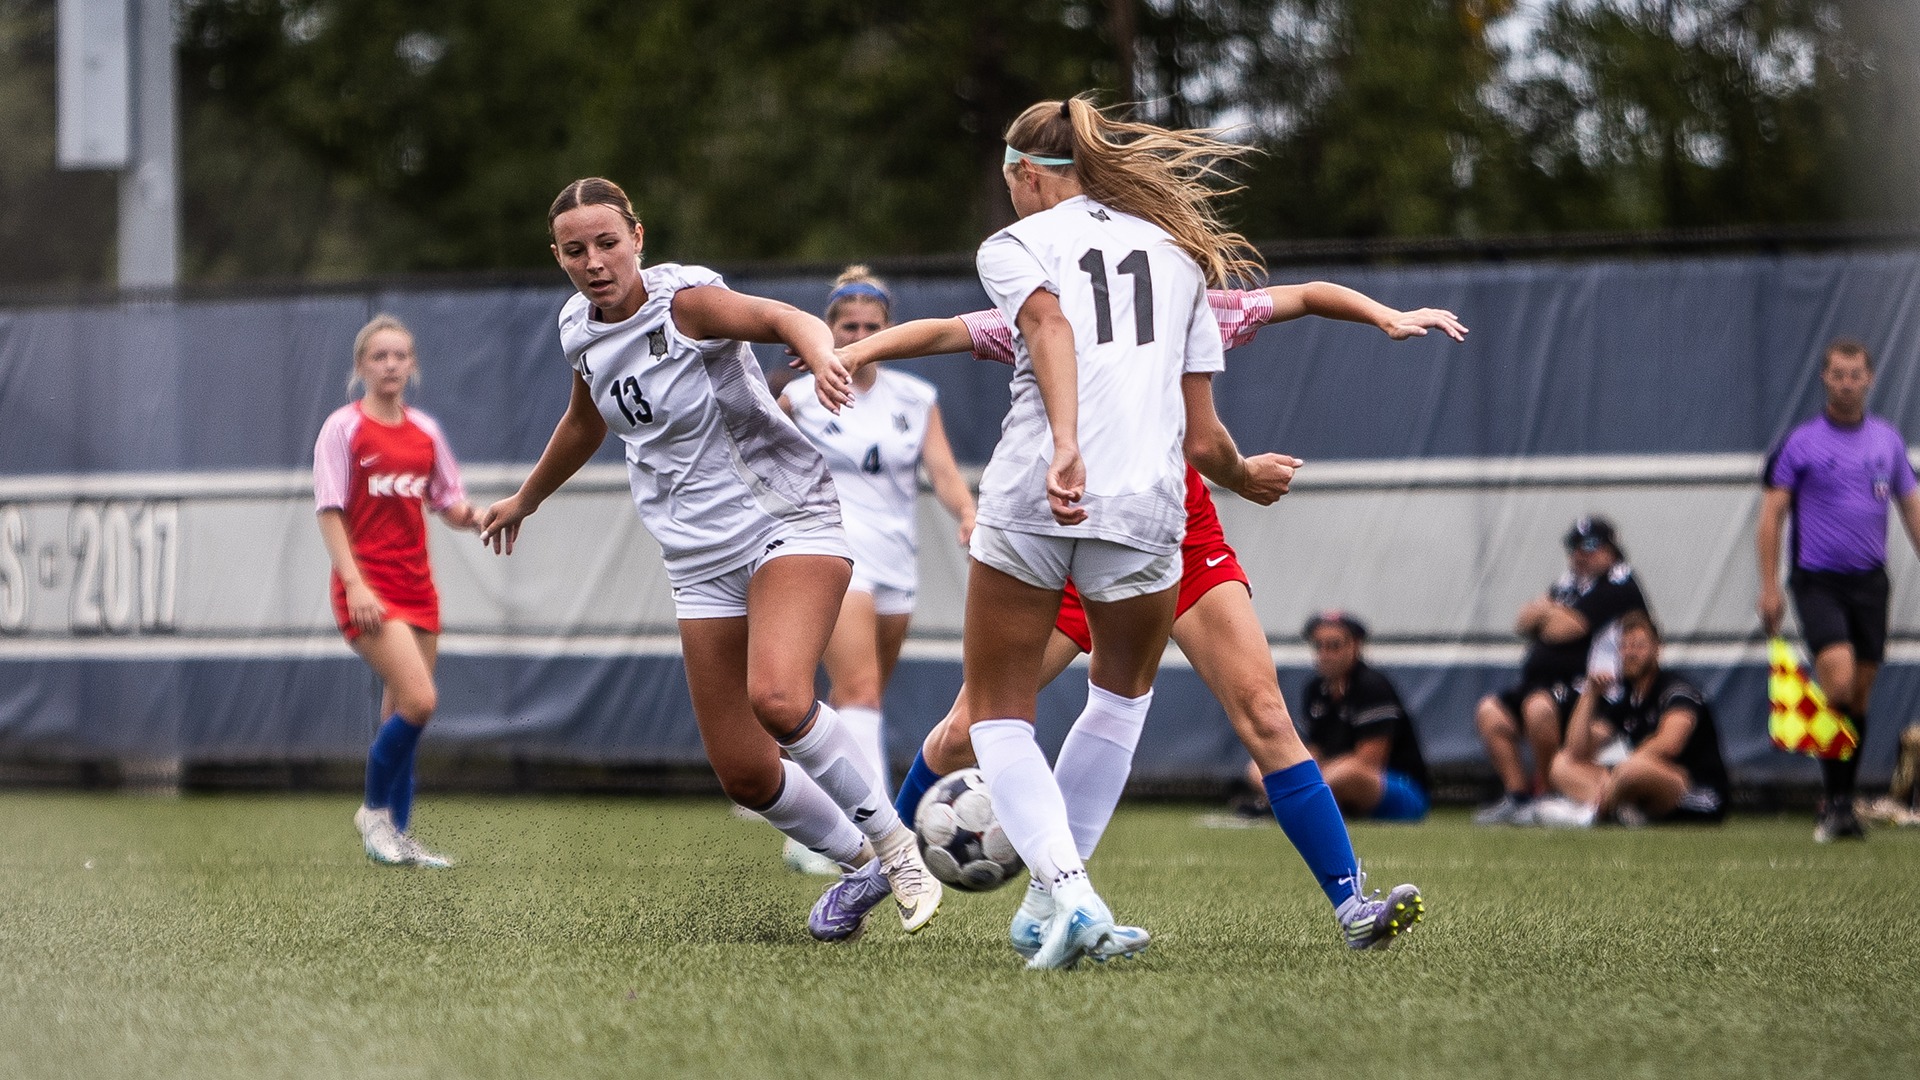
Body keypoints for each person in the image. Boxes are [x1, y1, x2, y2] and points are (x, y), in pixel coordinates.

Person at [835, 277, 1460, 950]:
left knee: (1264, 712)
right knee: (968, 725)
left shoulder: (1185, 306)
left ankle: (1352, 907)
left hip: (1177, 532)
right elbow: (943, 331)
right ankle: (879, 872)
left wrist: (1386, 314)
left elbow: (1304, 296)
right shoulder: (1044, 313)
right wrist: (845, 356)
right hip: (1069, 538)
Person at [477, 178, 941, 940]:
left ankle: (898, 850)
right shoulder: (577, 327)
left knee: (780, 699)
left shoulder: (685, 303)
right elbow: (585, 422)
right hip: (695, 556)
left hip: (784, 519)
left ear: (638, 238)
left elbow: (783, 318)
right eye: (575, 250)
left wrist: (821, 351)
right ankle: (859, 864)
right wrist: (525, 499)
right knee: (746, 773)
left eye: (608, 243)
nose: (595, 262)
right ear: (557, 257)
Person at [775, 266, 976, 874]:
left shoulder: (915, 397)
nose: (860, 336)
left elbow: (943, 473)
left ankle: (812, 827)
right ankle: (875, 844)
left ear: (888, 331)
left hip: (896, 559)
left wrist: (968, 514)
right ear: (829, 330)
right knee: (860, 690)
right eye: (848, 326)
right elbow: (759, 463)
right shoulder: (800, 396)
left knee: (857, 699)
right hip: (832, 552)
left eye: (872, 327)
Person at [314, 314, 478, 868]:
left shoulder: (425, 431)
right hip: (368, 589)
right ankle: (373, 813)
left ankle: (396, 836)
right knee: (420, 700)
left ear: (413, 365)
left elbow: (448, 501)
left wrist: (479, 516)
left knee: (403, 716)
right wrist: (354, 583)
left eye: (400, 356)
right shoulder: (343, 428)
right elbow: (329, 510)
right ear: (361, 366)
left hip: (417, 588)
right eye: (379, 356)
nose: (390, 365)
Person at [1758, 337, 1920, 842]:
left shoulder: (1887, 441)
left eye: (1855, 375)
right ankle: (1834, 803)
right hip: (1817, 581)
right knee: (1840, 681)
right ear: (1824, 379)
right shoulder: (1801, 443)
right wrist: (1769, 587)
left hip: (1870, 581)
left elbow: (1911, 506)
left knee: (1860, 696)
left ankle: (1843, 803)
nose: (1847, 384)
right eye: (1838, 375)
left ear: (1870, 379)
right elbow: (1771, 516)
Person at [1473, 516, 1648, 825]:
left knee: (1538, 709)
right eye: (1574, 546)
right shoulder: (1569, 583)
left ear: (1610, 549)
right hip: (1543, 683)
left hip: (1592, 689)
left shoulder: (1619, 584)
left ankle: (1549, 795)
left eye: (1590, 545)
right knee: (1490, 712)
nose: (1580, 553)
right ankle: (1519, 797)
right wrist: (1549, 614)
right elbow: (1523, 621)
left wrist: (1547, 614)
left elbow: (1565, 629)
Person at [1539, 611, 1729, 827]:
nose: (1630, 653)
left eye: (1639, 646)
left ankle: (1593, 813)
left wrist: (1621, 772)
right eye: (1625, 646)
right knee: (1561, 764)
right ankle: (1618, 810)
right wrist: (1589, 695)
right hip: (1636, 784)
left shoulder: (1677, 692)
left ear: (1657, 648)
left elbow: (1669, 745)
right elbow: (1577, 750)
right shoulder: (1628, 698)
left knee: (1634, 769)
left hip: (1695, 791)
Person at [1297, 611, 1431, 823]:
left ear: (1355, 646)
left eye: (1334, 646)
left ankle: (1300, 806)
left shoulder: (1372, 686)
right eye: (1318, 646)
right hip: (1331, 776)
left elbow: (1368, 762)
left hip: (1398, 785)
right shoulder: (1315, 690)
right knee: (1260, 771)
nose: (1325, 654)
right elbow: (1312, 749)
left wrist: (1308, 780)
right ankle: (1309, 805)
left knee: (1346, 774)